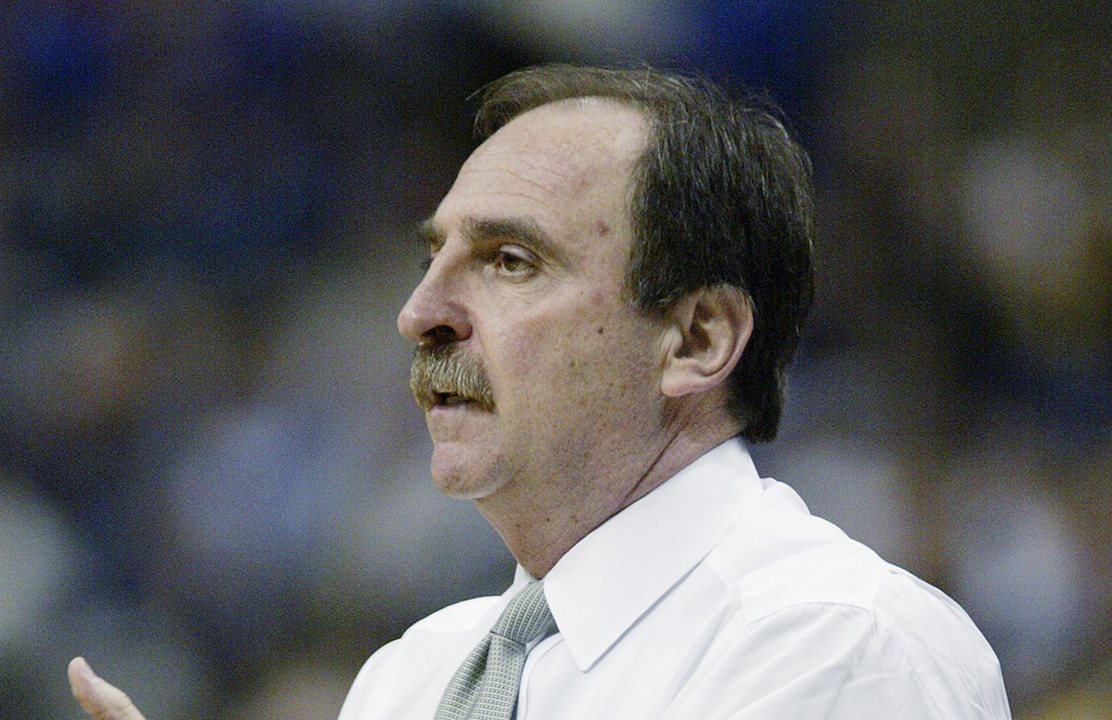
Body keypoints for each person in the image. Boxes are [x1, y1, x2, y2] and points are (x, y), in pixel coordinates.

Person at [69, 64, 1012, 719]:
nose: (419, 311)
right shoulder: (413, 676)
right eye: (433, 254)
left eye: (511, 261)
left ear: (697, 338)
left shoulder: (836, 646)